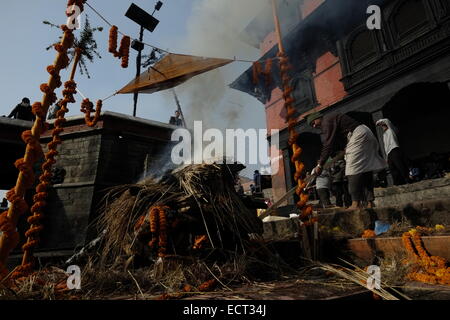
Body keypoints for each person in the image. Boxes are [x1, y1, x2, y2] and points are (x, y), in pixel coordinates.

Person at [307, 112, 386, 210]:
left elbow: (328, 144)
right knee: (365, 169)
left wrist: (320, 165)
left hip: (358, 135)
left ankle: (355, 203)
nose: (314, 126)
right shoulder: (332, 119)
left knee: (351, 170)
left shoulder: (326, 121)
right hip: (365, 133)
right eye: (312, 125)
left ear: (318, 117)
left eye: (313, 122)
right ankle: (370, 202)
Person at [376, 119, 410, 185]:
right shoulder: (384, 135)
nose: (382, 127)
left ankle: (407, 178)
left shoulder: (391, 130)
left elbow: (386, 121)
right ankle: (398, 182)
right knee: (392, 168)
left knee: (399, 165)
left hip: (395, 149)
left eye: (383, 125)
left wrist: (379, 123)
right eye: (381, 126)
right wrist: (386, 156)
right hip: (389, 152)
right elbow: (385, 146)